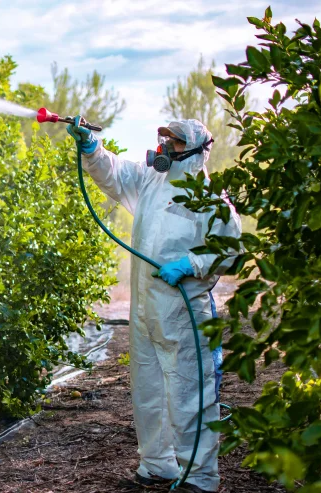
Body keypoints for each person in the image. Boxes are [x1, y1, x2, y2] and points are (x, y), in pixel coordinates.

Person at [67, 118, 241, 493]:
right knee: (148, 388)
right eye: (163, 140)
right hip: (146, 307)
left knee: (188, 390)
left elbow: (230, 249)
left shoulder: (210, 199)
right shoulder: (151, 180)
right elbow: (114, 173)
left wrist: (191, 265)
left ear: (195, 152)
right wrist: (91, 149)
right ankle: (157, 463)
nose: (163, 149)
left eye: (173, 144)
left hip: (183, 310)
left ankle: (199, 476)